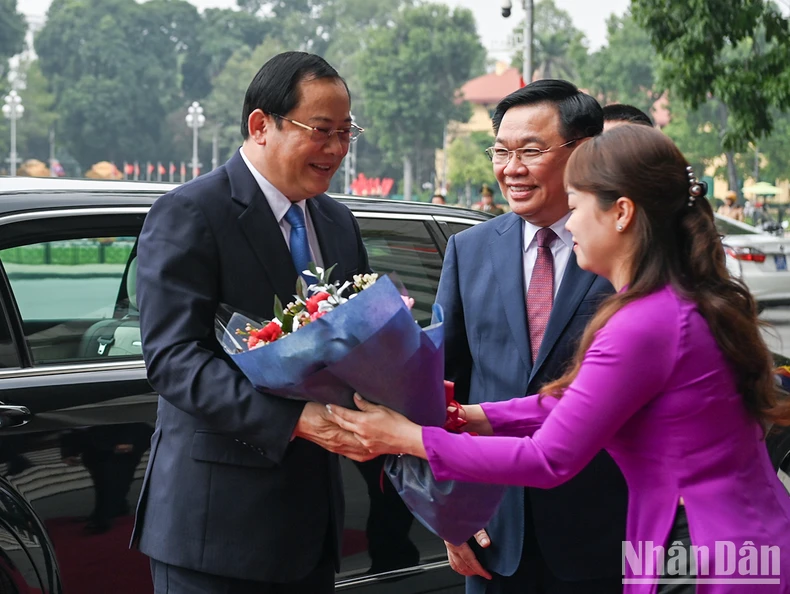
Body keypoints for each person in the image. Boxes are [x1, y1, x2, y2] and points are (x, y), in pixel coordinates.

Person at [327, 125, 790, 593]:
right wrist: (474, 416)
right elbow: (575, 404)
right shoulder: (669, 302)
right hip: (728, 533)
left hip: (704, 551)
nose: (568, 225)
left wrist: (411, 438)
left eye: (575, 208)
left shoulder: (643, 322)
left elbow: (549, 458)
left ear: (622, 213)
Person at [132, 51, 374, 594]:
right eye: (322, 131)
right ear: (261, 125)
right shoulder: (192, 213)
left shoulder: (336, 222)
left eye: (345, 132)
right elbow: (174, 360)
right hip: (216, 528)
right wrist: (293, 420)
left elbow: (358, 342)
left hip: (312, 524)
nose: (336, 149)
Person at [389, 80, 631, 593]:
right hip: (493, 532)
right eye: (501, 151)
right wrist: (451, 514)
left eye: (530, 151)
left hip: (604, 530)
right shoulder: (469, 250)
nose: (511, 168)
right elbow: (443, 386)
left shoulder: (622, 252)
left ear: (583, 150)